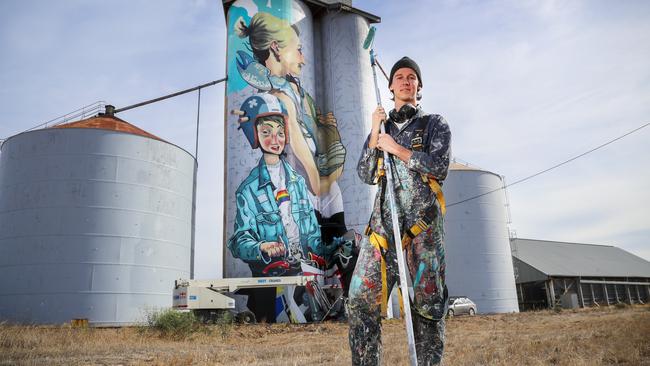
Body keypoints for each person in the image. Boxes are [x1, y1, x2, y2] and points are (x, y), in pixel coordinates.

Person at [348, 57, 451, 365]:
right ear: (390, 87)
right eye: (401, 77)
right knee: (359, 301)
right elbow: (366, 174)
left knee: (428, 308)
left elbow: (439, 168)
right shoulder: (381, 130)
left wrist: (397, 149)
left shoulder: (435, 124)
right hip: (383, 231)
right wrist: (374, 129)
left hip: (424, 231)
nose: (407, 81)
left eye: (412, 78)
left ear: (418, 87)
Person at [234, 12, 348, 244]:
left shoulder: (293, 90)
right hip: (295, 203)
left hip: (307, 198)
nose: (303, 59)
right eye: (298, 49)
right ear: (275, 48)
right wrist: (327, 177)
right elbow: (316, 184)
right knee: (331, 193)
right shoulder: (279, 99)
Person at [228, 93, 333, 323]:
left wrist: (330, 248)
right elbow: (238, 242)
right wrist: (262, 247)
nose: (275, 139)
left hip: (302, 278)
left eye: (280, 132)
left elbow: (313, 232)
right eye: (266, 132)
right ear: (254, 135)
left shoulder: (297, 182)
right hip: (269, 280)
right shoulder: (248, 190)